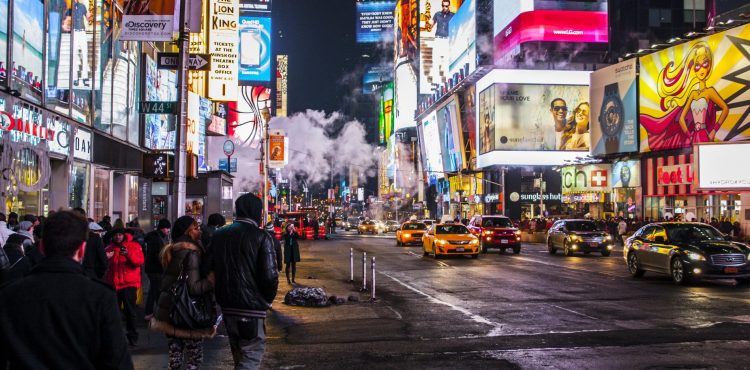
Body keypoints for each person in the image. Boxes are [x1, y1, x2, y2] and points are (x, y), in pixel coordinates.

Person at [0, 210, 134, 369]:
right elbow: (117, 361)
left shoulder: (10, 295)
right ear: (82, 250)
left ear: (42, 246)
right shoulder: (100, 297)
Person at [204, 193, 279, 369]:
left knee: (239, 353)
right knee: (251, 356)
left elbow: (207, 267)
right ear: (257, 212)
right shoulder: (262, 237)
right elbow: (270, 277)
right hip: (252, 308)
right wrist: (266, 301)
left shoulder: (220, 235)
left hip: (227, 306)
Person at [150, 215, 214, 370]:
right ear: (188, 232)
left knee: (175, 358)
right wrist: (211, 280)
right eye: (195, 228)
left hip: (170, 310)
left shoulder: (174, 249)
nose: (199, 231)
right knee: (193, 359)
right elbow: (194, 288)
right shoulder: (191, 253)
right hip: (187, 312)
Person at [640, 42, 728, 151]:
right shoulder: (693, 94)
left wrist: (714, 130)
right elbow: (681, 118)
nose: (701, 69)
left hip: (705, 135)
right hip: (694, 136)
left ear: (709, 65)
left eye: (705, 64)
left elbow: (725, 109)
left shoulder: (710, 91)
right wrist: (689, 135)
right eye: (697, 66)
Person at [104, 228, 145, 346]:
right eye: (116, 235)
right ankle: (116, 336)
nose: (118, 237)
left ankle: (132, 336)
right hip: (113, 284)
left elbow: (139, 261)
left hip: (128, 284)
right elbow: (104, 265)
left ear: (124, 235)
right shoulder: (109, 248)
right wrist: (106, 258)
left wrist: (128, 255)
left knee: (130, 312)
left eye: (120, 235)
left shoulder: (133, 246)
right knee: (114, 312)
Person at [143, 218, 171, 321]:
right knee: (155, 290)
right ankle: (149, 312)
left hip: (155, 268)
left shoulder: (160, 237)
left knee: (156, 290)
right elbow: (156, 255)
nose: (168, 230)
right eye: (167, 228)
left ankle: (156, 312)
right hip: (155, 269)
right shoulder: (155, 238)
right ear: (162, 228)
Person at [74, 207, 109, 279]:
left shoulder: (64, 236)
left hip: (70, 277)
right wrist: (96, 276)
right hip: (89, 276)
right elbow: (103, 262)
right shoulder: (94, 238)